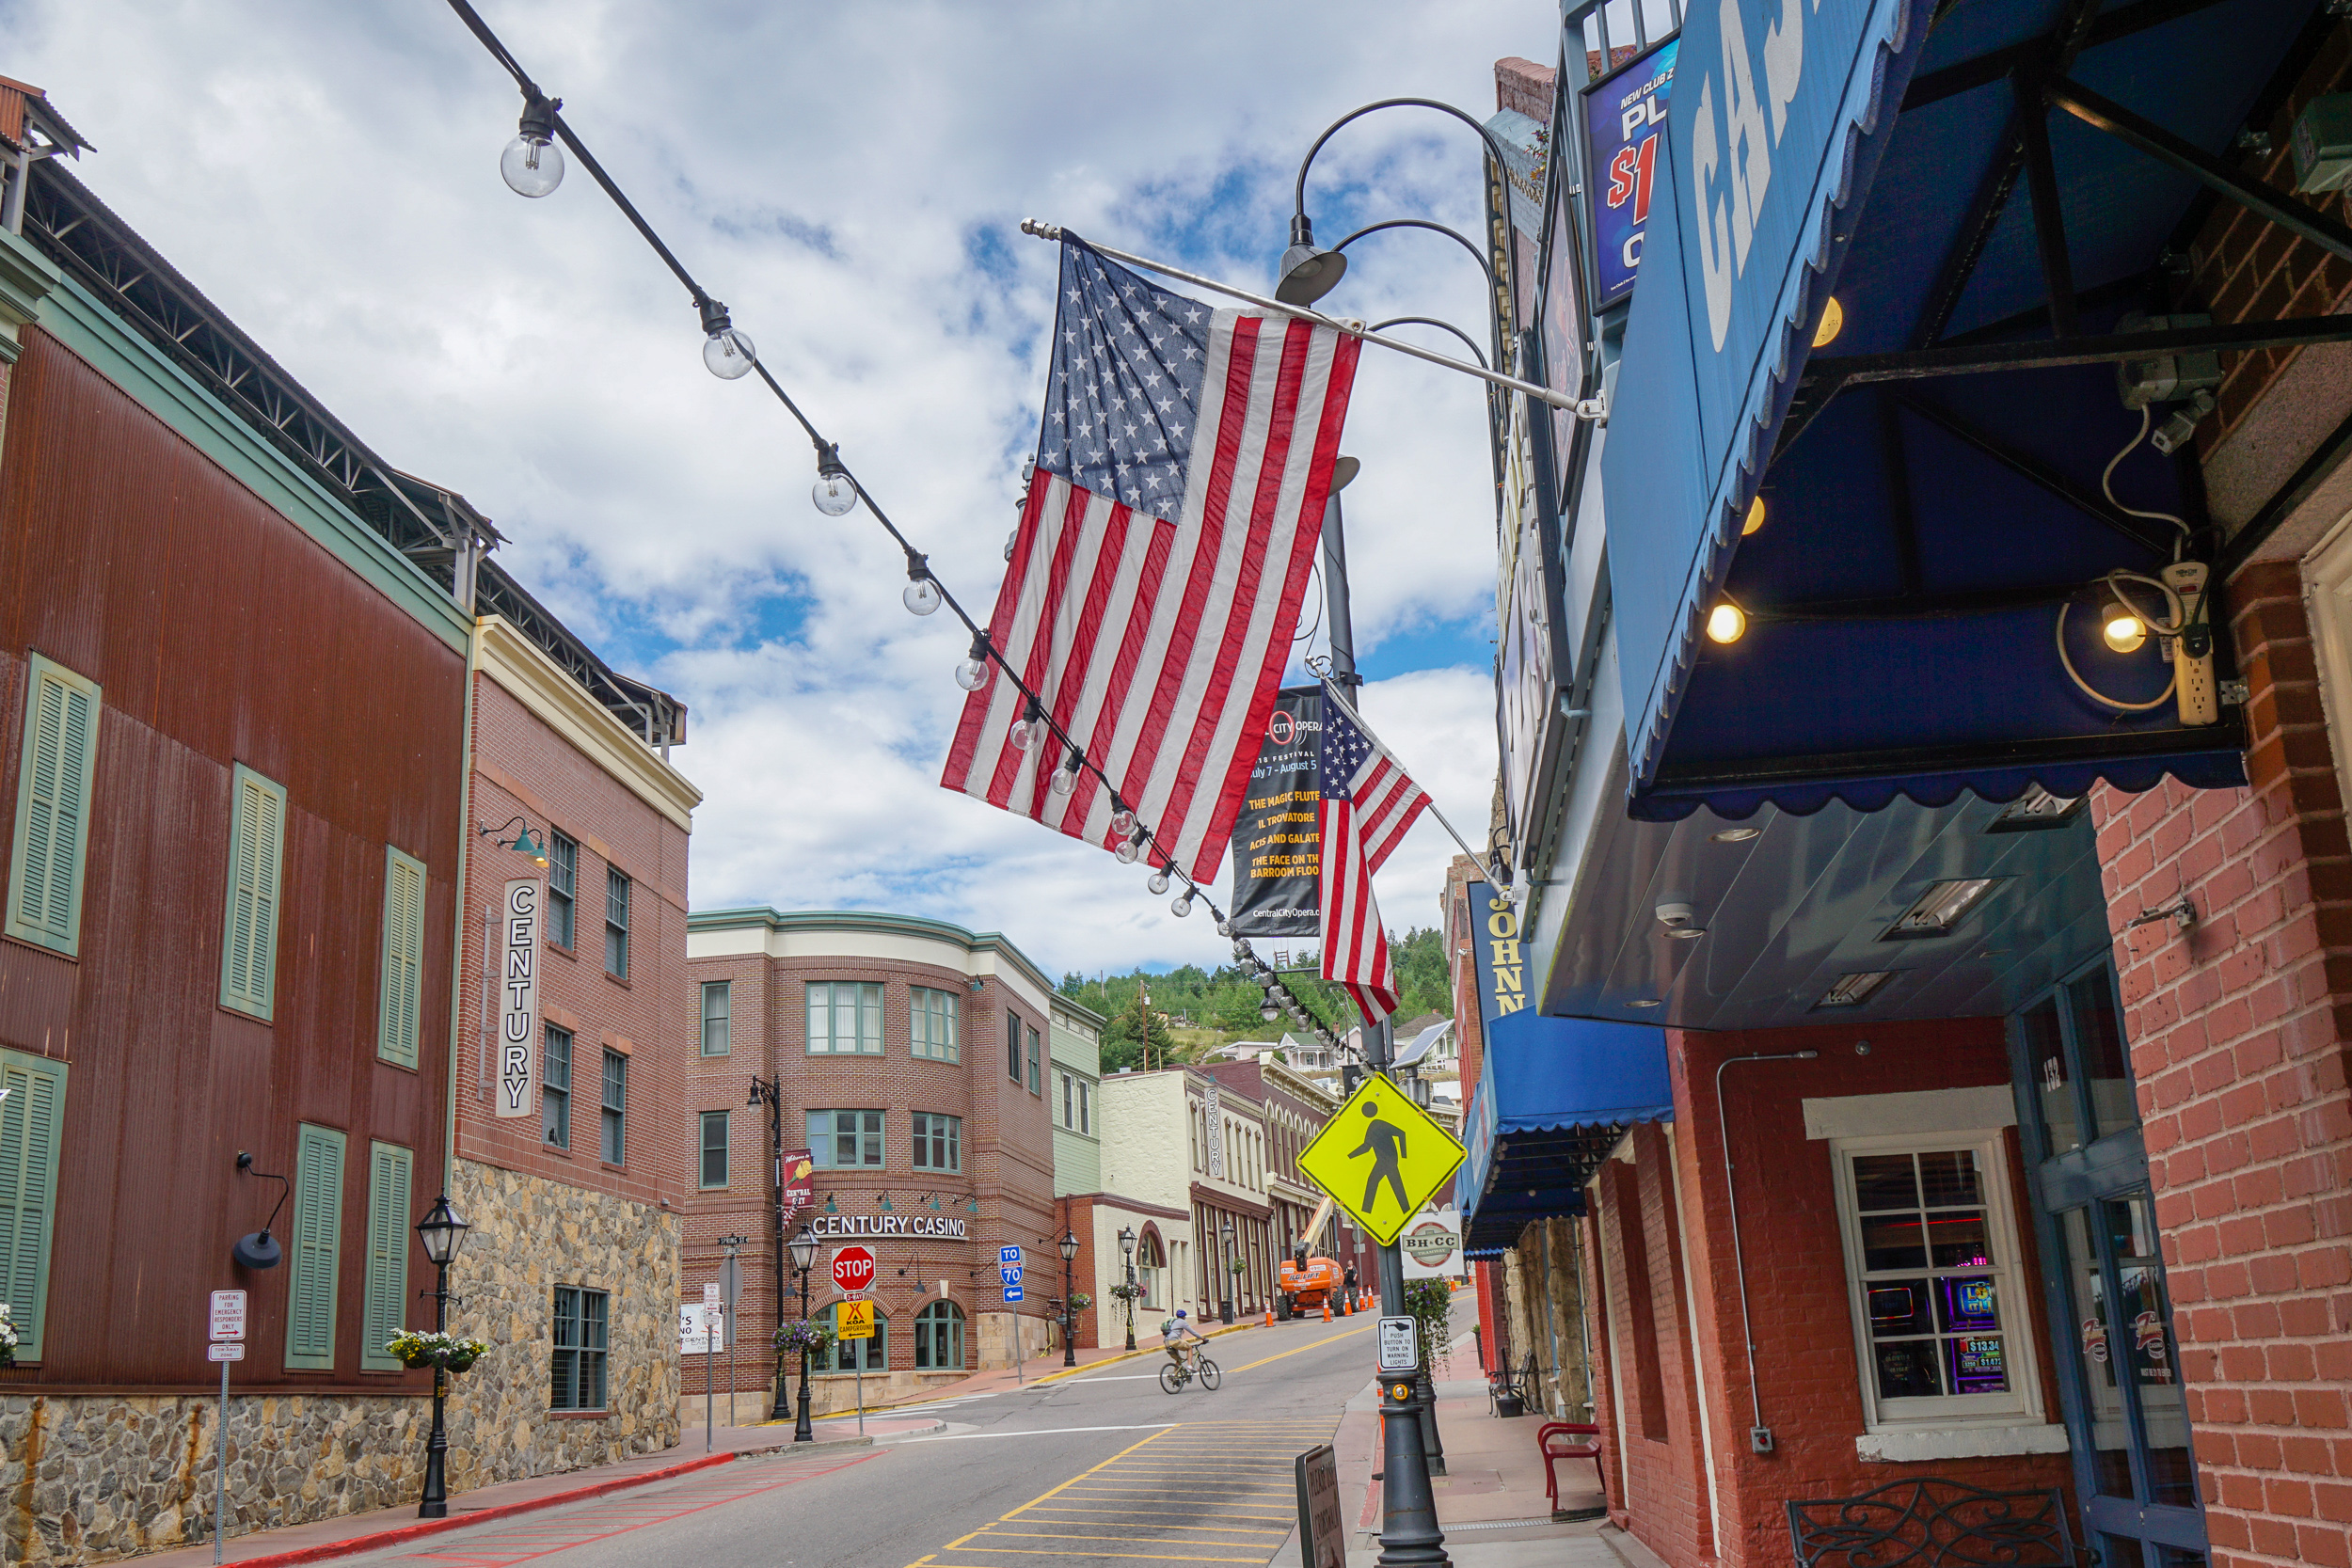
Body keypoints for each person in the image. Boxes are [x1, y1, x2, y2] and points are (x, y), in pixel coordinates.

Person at [1162, 1307, 1207, 1374]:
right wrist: (1202, 1338)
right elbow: (1192, 1332)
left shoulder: (1173, 1322)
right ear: (1184, 1317)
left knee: (1179, 1360)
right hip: (1174, 1341)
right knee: (1189, 1348)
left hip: (1166, 1342)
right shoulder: (1182, 1322)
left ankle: (1174, 1375)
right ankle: (1190, 1367)